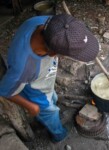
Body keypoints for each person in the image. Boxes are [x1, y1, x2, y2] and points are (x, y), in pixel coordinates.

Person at [0, 14, 99, 142]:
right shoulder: (23, 68)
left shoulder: (51, 24)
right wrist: (31, 107)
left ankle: (49, 111)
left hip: (44, 80)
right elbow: (5, 91)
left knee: (53, 97)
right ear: (52, 54)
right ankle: (59, 134)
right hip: (37, 91)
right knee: (49, 111)